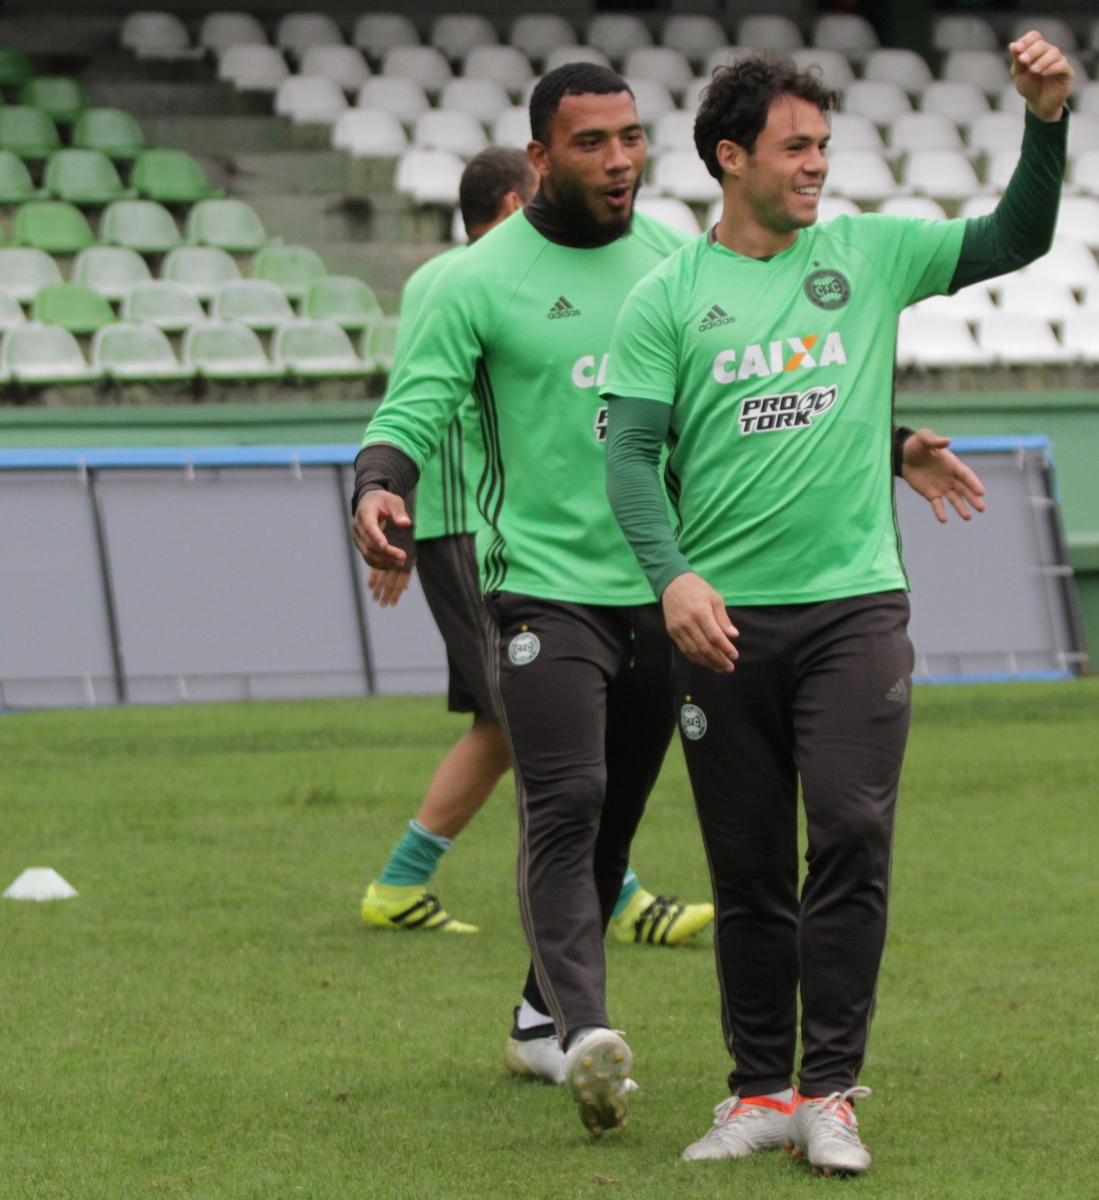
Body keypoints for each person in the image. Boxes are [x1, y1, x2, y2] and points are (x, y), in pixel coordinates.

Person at [351, 63, 990, 1140]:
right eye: (592, 143)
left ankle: (535, 1014)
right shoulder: (474, 280)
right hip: (543, 588)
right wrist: (379, 481)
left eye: (631, 139)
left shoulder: (675, 268)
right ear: (540, 158)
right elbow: (414, 408)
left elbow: (737, 407)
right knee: (568, 799)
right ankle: (588, 1034)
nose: (619, 161)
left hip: (675, 595)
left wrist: (885, 447)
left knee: (614, 829)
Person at [602, 34, 1072, 1174]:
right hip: (723, 626)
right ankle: (758, 1090)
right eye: (795, 146)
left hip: (857, 608)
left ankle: (831, 1095)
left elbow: (1018, 236)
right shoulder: (668, 298)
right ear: (730, 157)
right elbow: (628, 460)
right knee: (750, 864)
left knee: (852, 831)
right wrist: (672, 578)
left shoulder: (869, 252)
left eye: (824, 145)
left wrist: (1046, 120)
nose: (817, 164)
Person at [358, 146, 714, 954]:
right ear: (523, 197)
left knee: (515, 716)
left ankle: (409, 882)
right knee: (530, 715)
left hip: (493, 528)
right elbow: (424, 403)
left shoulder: (625, 261)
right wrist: (402, 515)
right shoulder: (462, 281)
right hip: (469, 526)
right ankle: (609, 894)